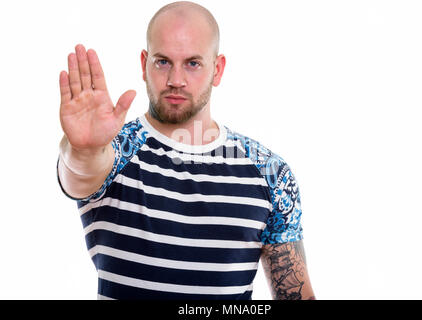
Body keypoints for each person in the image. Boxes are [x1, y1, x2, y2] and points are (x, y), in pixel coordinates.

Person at [57, 1, 315, 300]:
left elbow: (295, 295)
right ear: (144, 64)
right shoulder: (114, 150)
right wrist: (84, 149)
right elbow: (80, 171)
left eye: (192, 63)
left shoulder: (270, 174)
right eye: (162, 62)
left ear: (217, 70)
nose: (175, 80)